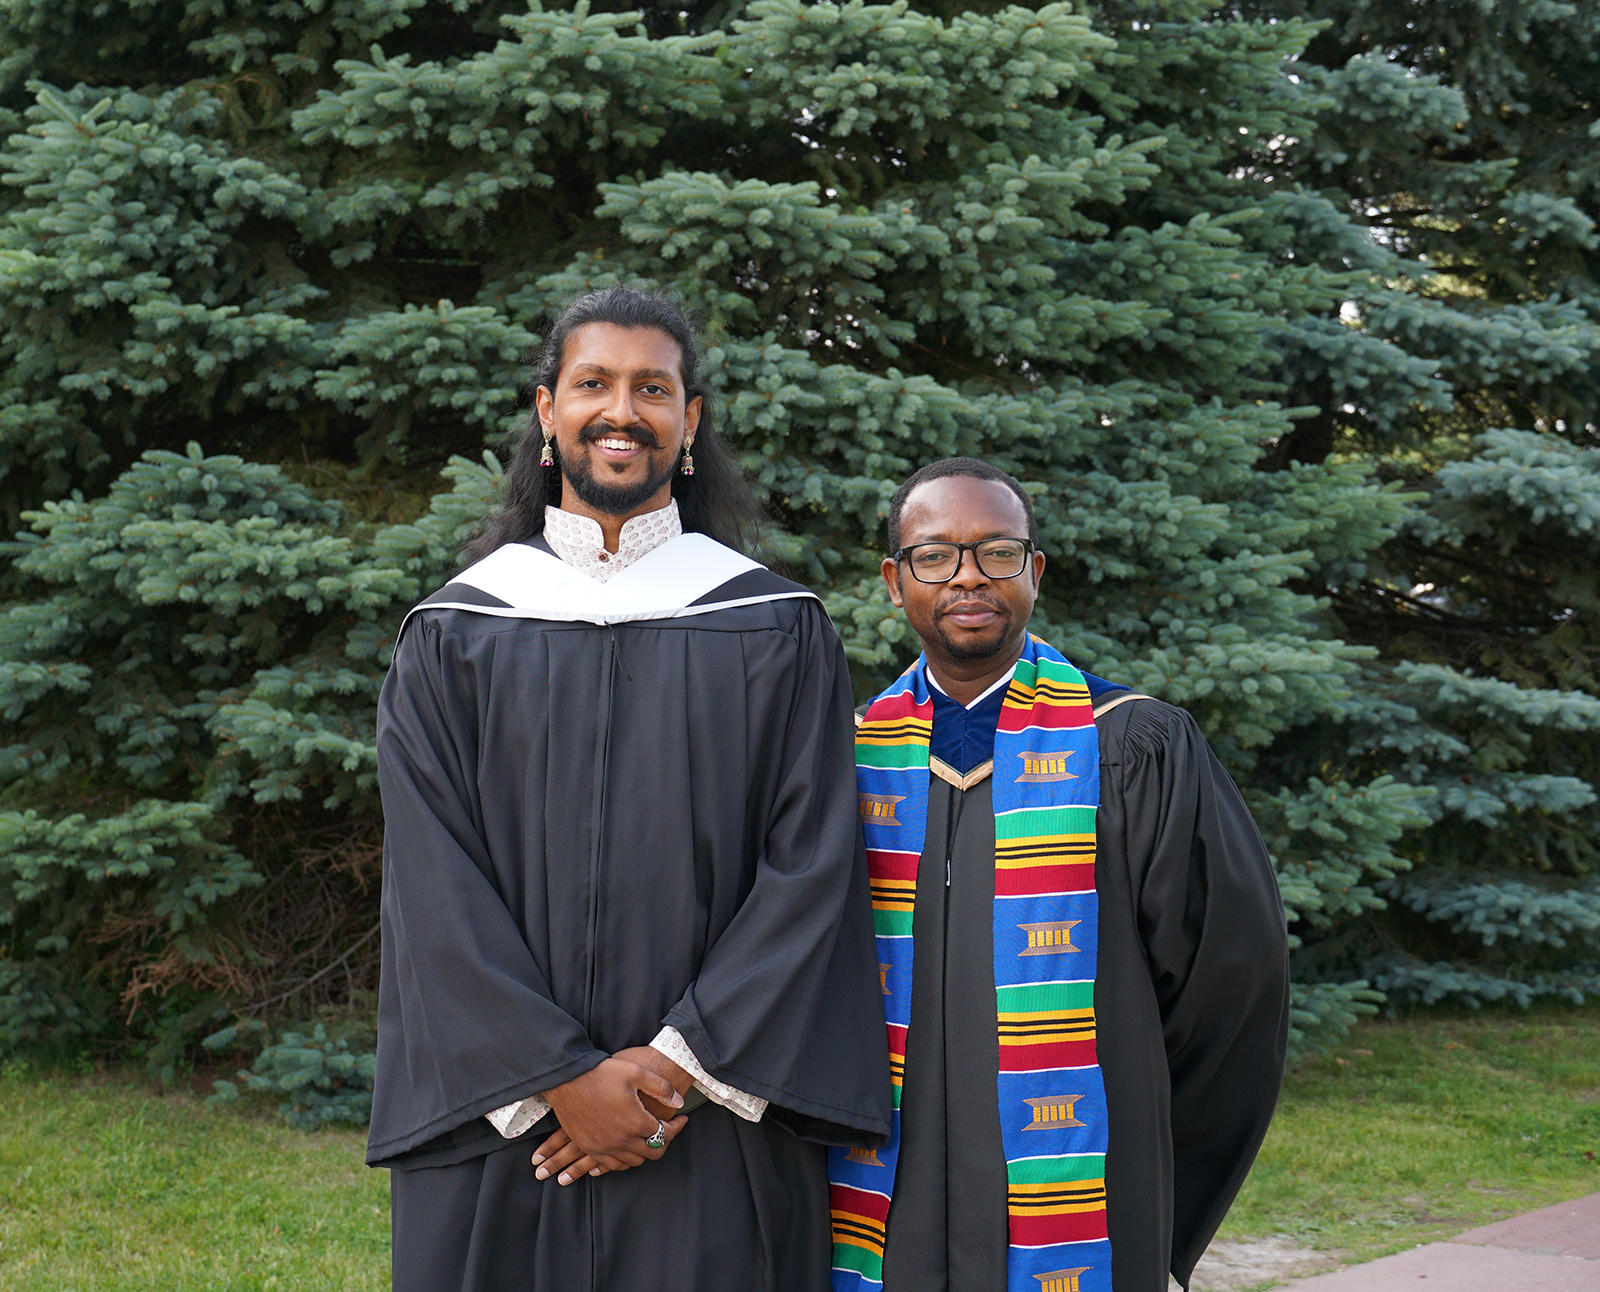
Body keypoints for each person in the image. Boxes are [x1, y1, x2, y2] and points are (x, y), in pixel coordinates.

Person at [369, 286, 892, 1292]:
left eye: (653, 388)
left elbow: (810, 865)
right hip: (509, 1123)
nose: (622, 410)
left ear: (688, 420)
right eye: (593, 384)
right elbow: (434, 885)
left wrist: (673, 1071)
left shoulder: (776, 628)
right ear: (546, 411)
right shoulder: (455, 631)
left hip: (705, 1119)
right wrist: (561, 1076)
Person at [828, 458, 1289, 1292]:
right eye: (935, 556)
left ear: (1034, 572)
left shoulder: (1134, 747)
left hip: (1085, 1172)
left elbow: (1228, 988)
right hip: (890, 1185)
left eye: (997, 552)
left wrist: (1148, 1140)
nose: (969, 576)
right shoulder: (851, 757)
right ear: (896, 584)